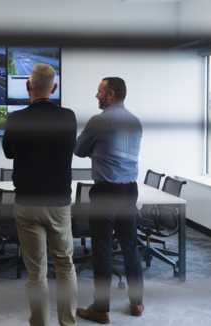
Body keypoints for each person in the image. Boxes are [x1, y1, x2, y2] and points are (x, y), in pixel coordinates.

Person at [2, 63, 78, 326]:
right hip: (59, 203)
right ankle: (68, 323)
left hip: (27, 203)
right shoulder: (68, 116)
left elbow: (8, 152)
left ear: (27, 86)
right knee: (65, 267)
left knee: (36, 273)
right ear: (54, 88)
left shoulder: (16, 118)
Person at [73, 77, 144, 324]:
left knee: (102, 249)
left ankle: (101, 309)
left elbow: (79, 150)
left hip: (106, 191)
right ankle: (137, 302)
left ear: (110, 94)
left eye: (99, 91)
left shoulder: (99, 121)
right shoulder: (135, 121)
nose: (96, 95)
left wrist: (96, 151)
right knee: (130, 244)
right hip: (130, 189)